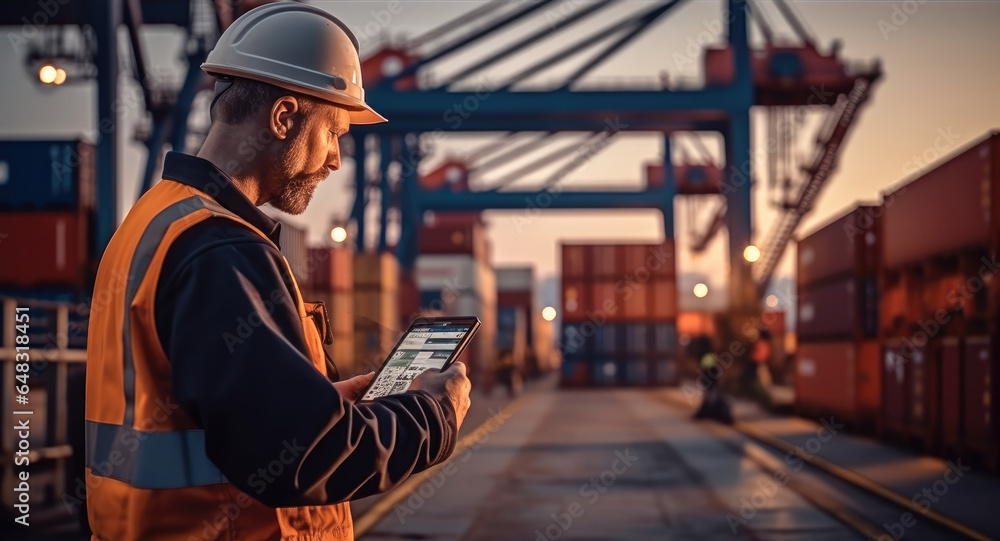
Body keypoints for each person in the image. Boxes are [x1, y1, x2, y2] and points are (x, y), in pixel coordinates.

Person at [83, 4, 471, 540]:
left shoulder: (155, 218)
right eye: (334, 132)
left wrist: (328, 403)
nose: (336, 159)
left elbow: (229, 413)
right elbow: (302, 457)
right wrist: (435, 414)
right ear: (283, 117)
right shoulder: (220, 251)